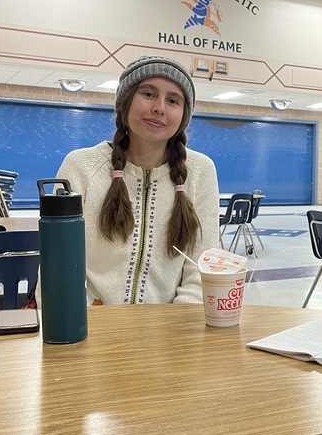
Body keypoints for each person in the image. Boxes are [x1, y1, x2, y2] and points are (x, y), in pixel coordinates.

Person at [55, 55, 220, 305]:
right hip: (88, 322)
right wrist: (81, 322)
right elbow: (59, 268)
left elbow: (201, 269)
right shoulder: (80, 166)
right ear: (125, 101)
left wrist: (179, 324)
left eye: (173, 100)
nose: (160, 108)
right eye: (148, 94)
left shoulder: (200, 171)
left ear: (183, 114)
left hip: (171, 325)